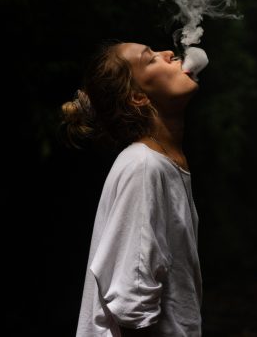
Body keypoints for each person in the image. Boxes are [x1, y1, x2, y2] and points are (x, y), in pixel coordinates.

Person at [61, 40, 203, 337]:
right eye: (150, 59)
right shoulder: (143, 167)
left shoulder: (163, 162)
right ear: (139, 97)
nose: (168, 53)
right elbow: (131, 304)